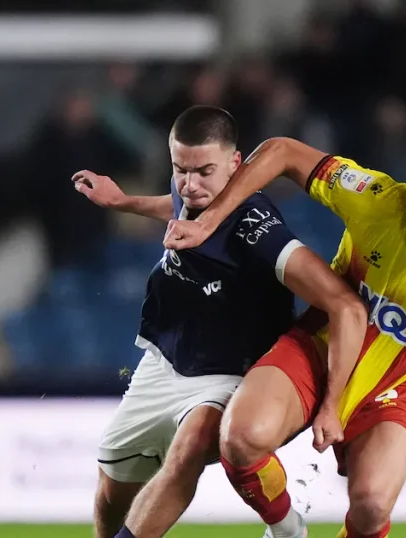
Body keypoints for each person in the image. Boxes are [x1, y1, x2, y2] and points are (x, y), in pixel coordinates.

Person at [164, 120, 406, 538]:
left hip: (389, 388)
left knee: (372, 507)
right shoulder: (376, 197)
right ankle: (288, 529)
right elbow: (283, 151)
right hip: (316, 349)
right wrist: (208, 220)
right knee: (239, 440)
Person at [73, 105, 367, 538]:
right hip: (166, 360)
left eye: (203, 172)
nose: (189, 185)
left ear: (235, 164)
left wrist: (332, 404)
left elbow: (345, 305)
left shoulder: (255, 227)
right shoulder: (192, 189)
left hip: (229, 373)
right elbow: (174, 202)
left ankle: (287, 526)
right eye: (180, 170)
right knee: (112, 491)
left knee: (188, 449)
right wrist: (123, 202)